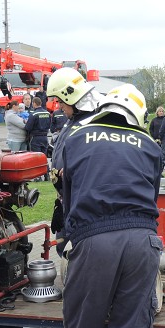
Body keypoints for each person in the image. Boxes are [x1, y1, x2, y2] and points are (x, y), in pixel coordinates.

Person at [61, 84, 162, 328]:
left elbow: (69, 197)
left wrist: (71, 237)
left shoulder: (76, 137)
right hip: (143, 241)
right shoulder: (150, 145)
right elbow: (154, 195)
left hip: (94, 240)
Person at [46, 67, 103, 254]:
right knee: (63, 249)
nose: (59, 106)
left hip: (82, 206)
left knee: (76, 253)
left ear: (72, 97)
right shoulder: (74, 119)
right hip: (67, 202)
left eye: (61, 101)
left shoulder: (94, 122)